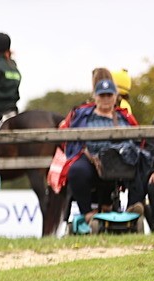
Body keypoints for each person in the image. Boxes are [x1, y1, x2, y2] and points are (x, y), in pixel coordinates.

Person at [57, 77, 139, 231]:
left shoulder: (123, 117)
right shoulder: (84, 115)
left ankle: (132, 207)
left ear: (115, 96)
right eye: (102, 95)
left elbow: (135, 139)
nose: (106, 99)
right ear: (95, 96)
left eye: (109, 95)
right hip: (91, 157)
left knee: (137, 163)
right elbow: (69, 136)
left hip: (117, 160)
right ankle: (87, 213)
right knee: (76, 170)